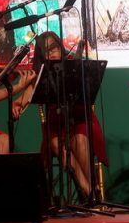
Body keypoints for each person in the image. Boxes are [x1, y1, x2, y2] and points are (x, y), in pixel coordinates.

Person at [15, 31, 107, 199]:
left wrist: (80, 50)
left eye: (54, 47)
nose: (52, 52)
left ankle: (89, 190)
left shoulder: (72, 65)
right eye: (47, 51)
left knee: (79, 140)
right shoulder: (41, 74)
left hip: (80, 119)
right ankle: (90, 191)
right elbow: (23, 99)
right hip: (56, 124)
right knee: (58, 144)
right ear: (42, 55)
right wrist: (16, 105)